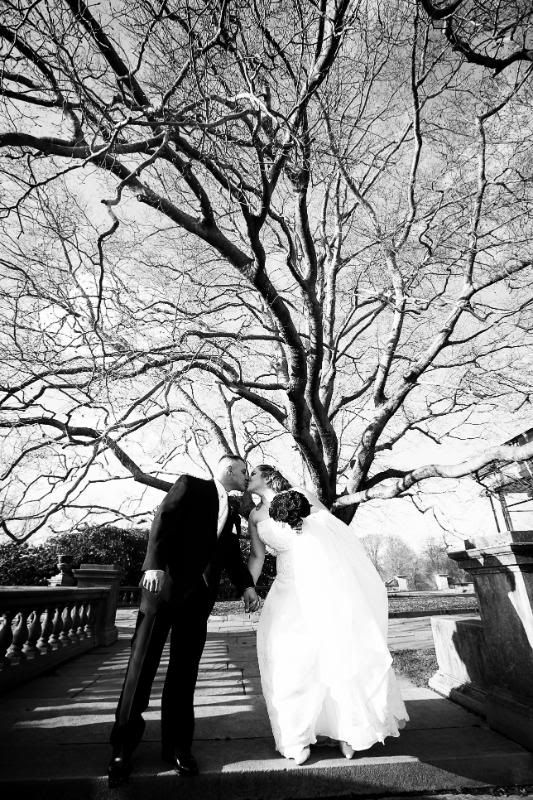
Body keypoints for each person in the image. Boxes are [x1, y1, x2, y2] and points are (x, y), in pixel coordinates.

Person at [108, 455, 259, 788]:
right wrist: (153, 565)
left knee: (184, 672)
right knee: (141, 667)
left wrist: (246, 586)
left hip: (198, 601)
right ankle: (122, 748)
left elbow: (230, 554)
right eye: (244, 471)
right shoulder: (191, 486)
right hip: (162, 590)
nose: (247, 477)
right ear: (229, 470)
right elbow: (163, 518)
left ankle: (177, 747)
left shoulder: (231, 510)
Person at [248, 484, 408, 765]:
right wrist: (248, 587)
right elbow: (258, 555)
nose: (247, 476)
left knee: (334, 654)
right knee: (289, 660)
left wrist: (304, 524)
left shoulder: (300, 494)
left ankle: (347, 732)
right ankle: (296, 737)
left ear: (267, 475)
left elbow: (333, 531)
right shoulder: (254, 515)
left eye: (252, 472)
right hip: (285, 591)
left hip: (319, 585)